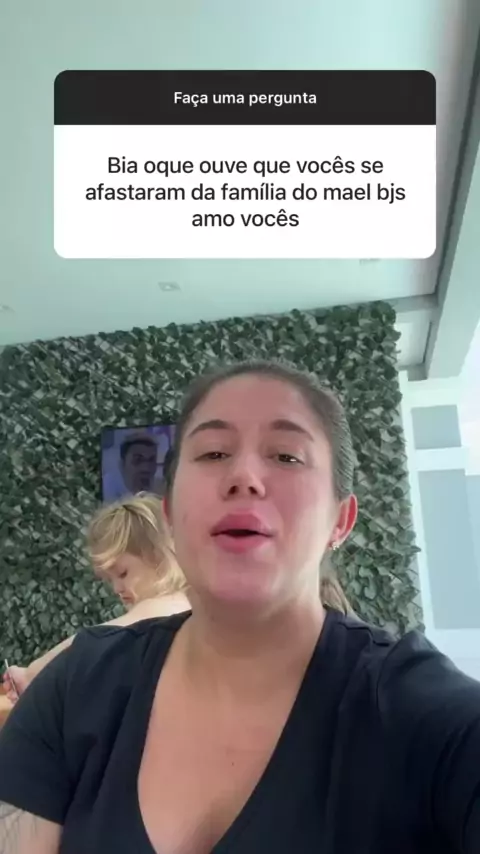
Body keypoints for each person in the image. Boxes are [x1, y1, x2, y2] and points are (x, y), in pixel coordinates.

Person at [0, 359, 479, 854]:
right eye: (213, 453)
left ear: (341, 519)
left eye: (287, 456)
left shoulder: (428, 720)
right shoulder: (76, 687)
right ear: (170, 513)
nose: (243, 476)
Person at [3, 492, 189, 703]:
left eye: (123, 573)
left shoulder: (166, 605)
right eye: (109, 580)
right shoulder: (192, 602)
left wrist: (31, 674)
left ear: (158, 556)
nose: (117, 588)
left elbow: (98, 638)